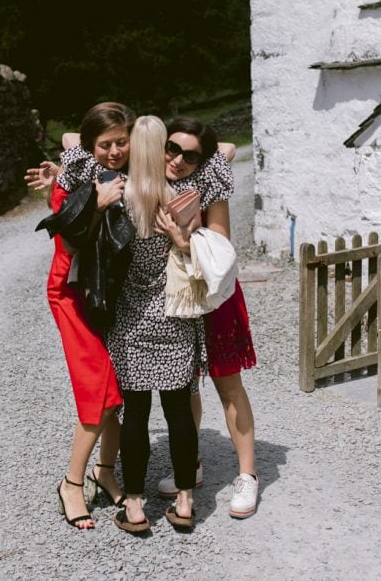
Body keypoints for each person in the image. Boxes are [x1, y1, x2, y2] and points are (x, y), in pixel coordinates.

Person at [103, 115, 225, 534]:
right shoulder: (182, 198)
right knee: (178, 413)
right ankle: (186, 502)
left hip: (132, 319)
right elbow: (223, 154)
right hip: (175, 315)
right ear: (162, 151)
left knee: (135, 413)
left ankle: (135, 507)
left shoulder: (119, 196)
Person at [30, 101, 134, 530]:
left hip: (106, 294)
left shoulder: (126, 175)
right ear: (92, 145)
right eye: (105, 144)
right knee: (99, 387)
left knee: (120, 386)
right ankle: (72, 483)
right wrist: (96, 203)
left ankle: (105, 471)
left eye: (121, 142)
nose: (114, 151)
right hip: (70, 292)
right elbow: (70, 246)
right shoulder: (75, 179)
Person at [156, 116, 259, 519]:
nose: (178, 160)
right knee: (185, 384)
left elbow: (221, 244)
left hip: (211, 295)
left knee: (227, 385)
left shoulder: (209, 182)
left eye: (190, 155)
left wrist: (183, 241)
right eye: (172, 148)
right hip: (175, 297)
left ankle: (248, 476)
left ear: (203, 160)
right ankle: (191, 464)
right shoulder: (147, 171)